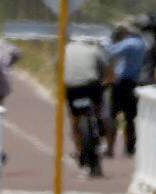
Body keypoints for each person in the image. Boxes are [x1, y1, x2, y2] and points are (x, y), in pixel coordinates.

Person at [63, 34, 111, 176]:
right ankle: (101, 131)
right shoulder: (94, 50)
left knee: (74, 118)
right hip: (91, 86)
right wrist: (105, 82)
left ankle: (78, 150)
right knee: (99, 110)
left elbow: (59, 68)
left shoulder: (65, 49)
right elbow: (105, 70)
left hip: (72, 88)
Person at [106, 23, 147, 158]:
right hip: (134, 82)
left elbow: (111, 51)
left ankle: (110, 147)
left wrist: (112, 37)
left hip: (121, 82)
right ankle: (130, 148)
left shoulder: (129, 43)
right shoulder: (142, 44)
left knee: (113, 114)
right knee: (131, 117)